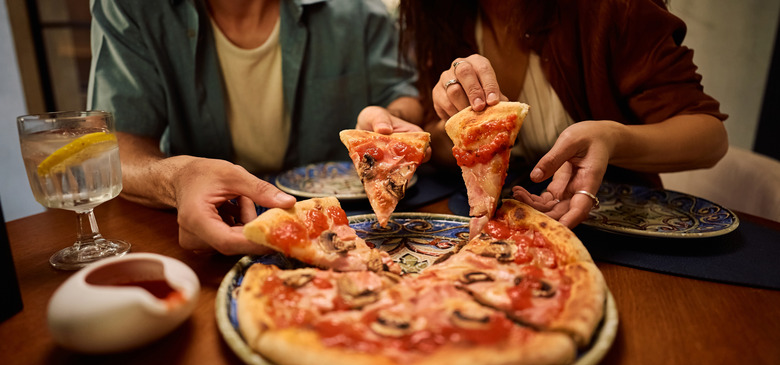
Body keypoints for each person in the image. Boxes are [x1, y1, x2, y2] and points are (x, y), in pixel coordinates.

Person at [88, 0, 424, 255]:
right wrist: (177, 178)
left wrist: (385, 123)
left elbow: (402, 98)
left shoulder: (359, 9)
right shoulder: (129, 7)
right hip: (188, 231)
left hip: (350, 226)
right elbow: (115, 146)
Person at [398, 0, 729, 228]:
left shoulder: (612, 8)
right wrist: (454, 128)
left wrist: (614, 138)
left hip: (615, 233)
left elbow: (710, 138)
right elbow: (438, 142)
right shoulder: (438, 13)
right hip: (500, 225)